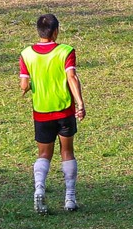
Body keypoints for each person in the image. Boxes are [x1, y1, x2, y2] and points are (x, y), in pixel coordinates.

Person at [19, 13, 87, 213]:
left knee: (44, 154)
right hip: (64, 110)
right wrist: (80, 104)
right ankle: (70, 198)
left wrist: (33, 84)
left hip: (41, 111)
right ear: (56, 31)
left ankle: (39, 189)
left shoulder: (26, 54)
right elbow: (72, 78)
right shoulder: (66, 51)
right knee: (67, 152)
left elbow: (23, 85)